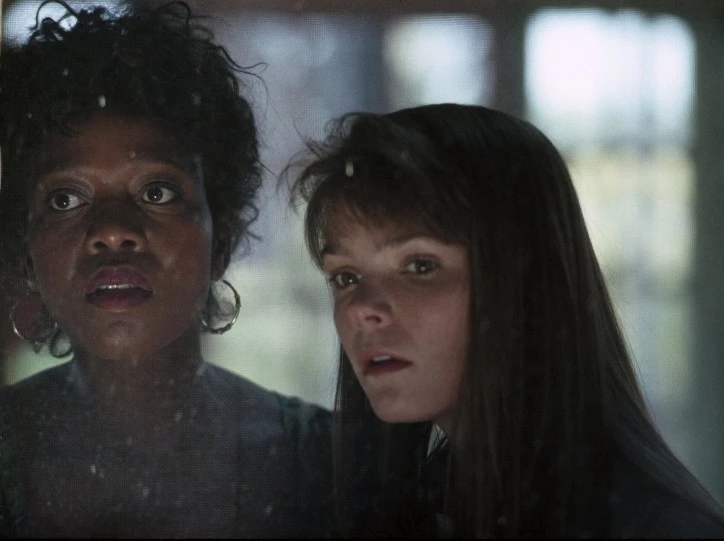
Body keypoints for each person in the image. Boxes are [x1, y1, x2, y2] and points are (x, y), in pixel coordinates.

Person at [290, 103, 724, 537]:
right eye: (346, 277)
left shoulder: (659, 528)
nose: (361, 309)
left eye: (421, 266)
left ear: (526, 279)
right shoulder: (430, 505)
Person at [0, 1, 333, 537]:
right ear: (26, 248)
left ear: (220, 239)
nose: (112, 230)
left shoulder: (331, 463)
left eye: (157, 192)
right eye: (65, 199)